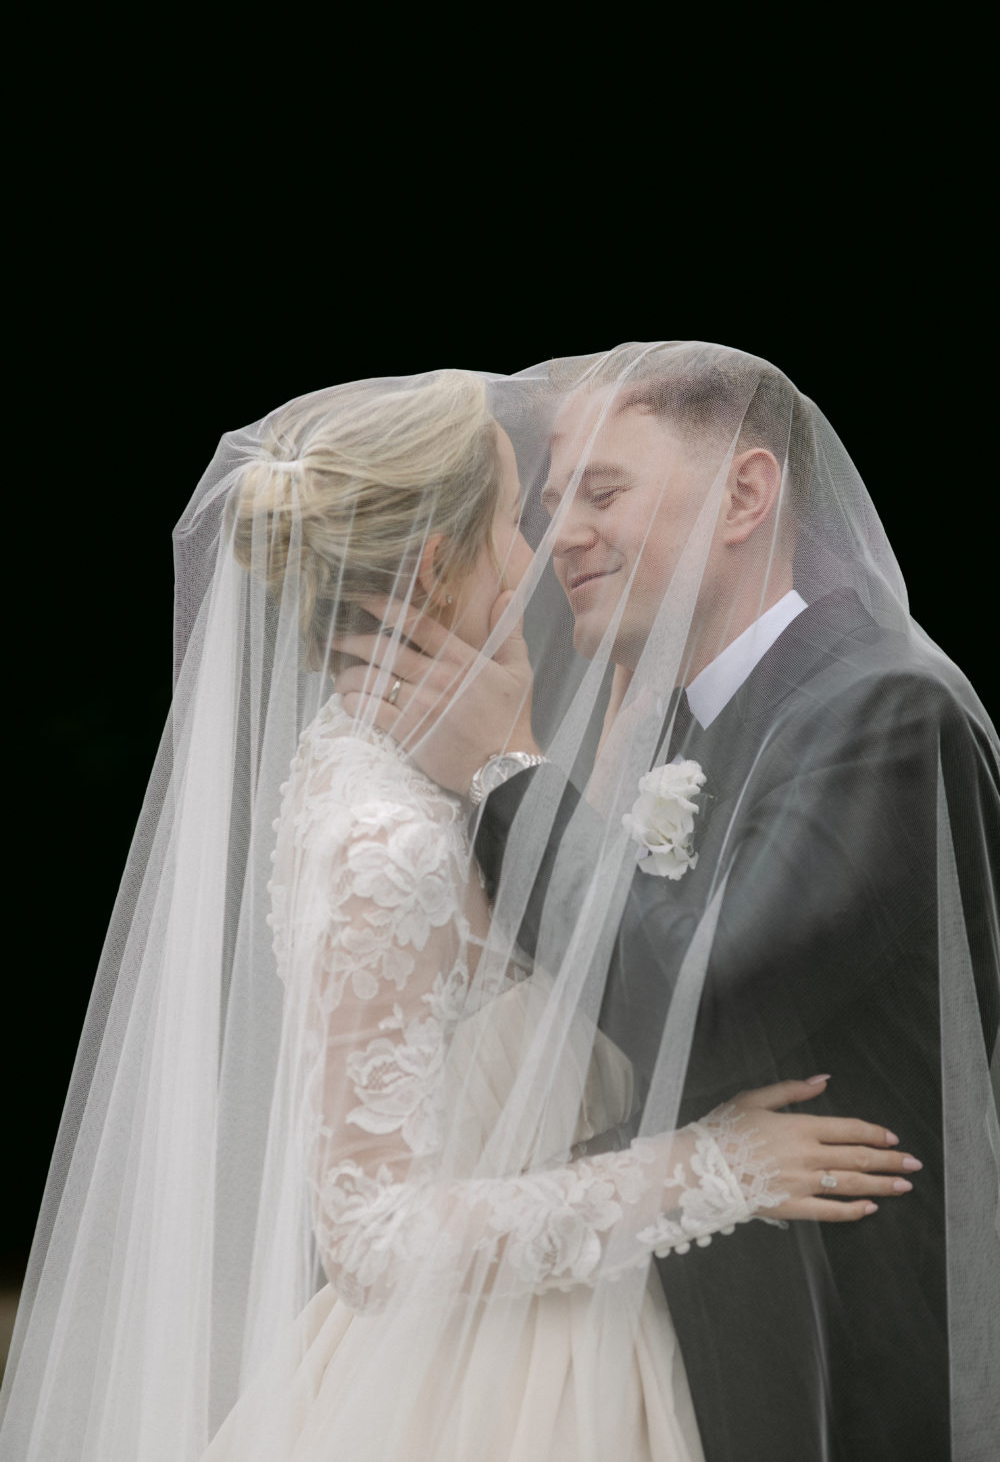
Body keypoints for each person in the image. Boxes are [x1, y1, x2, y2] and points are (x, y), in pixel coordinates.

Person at [0, 365, 920, 1462]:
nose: (541, 552)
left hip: (606, 1333)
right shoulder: (380, 837)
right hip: (503, 1387)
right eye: (515, 520)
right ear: (442, 563)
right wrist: (711, 1170)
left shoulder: (447, 766)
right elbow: (371, 1236)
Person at [336, 343, 1000, 1461]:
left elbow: (712, 1004)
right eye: (552, 503)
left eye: (602, 492)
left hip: (856, 1387)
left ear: (745, 494)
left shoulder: (886, 708)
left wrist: (507, 775)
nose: (562, 536)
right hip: (679, 1371)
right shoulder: (669, 725)